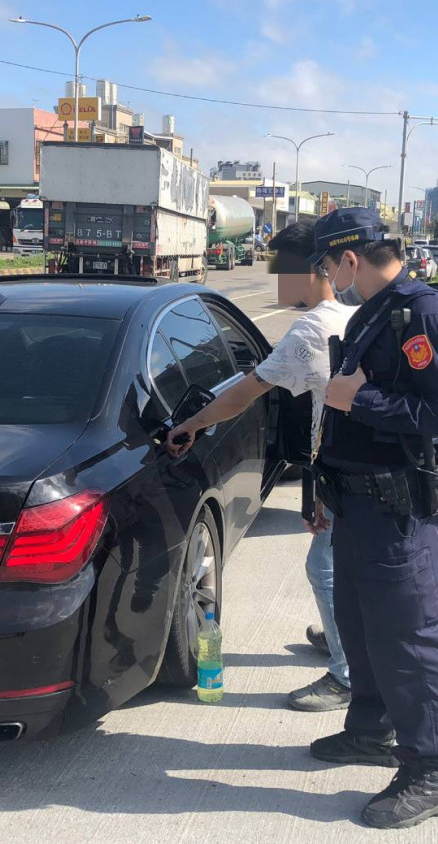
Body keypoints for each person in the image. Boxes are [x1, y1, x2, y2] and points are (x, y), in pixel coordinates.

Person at [307, 207, 438, 830]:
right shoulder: (376, 309)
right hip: (357, 502)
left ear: (350, 258)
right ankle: (372, 731)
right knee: (360, 623)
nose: (327, 277)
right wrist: (324, 483)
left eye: (328, 264)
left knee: (406, 635)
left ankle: (431, 770)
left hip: (399, 507)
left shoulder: (420, 310)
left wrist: (362, 399)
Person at [166, 219, 357, 712]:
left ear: (317, 269)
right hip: (349, 462)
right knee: (342, 562)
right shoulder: (349, 317)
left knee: (325, 567)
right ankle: (344, 635)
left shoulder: (308, 331)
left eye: (284, 271)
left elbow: (246, 393)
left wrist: (192, 423)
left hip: (338, 465)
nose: (278, 283)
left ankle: (347, 673)